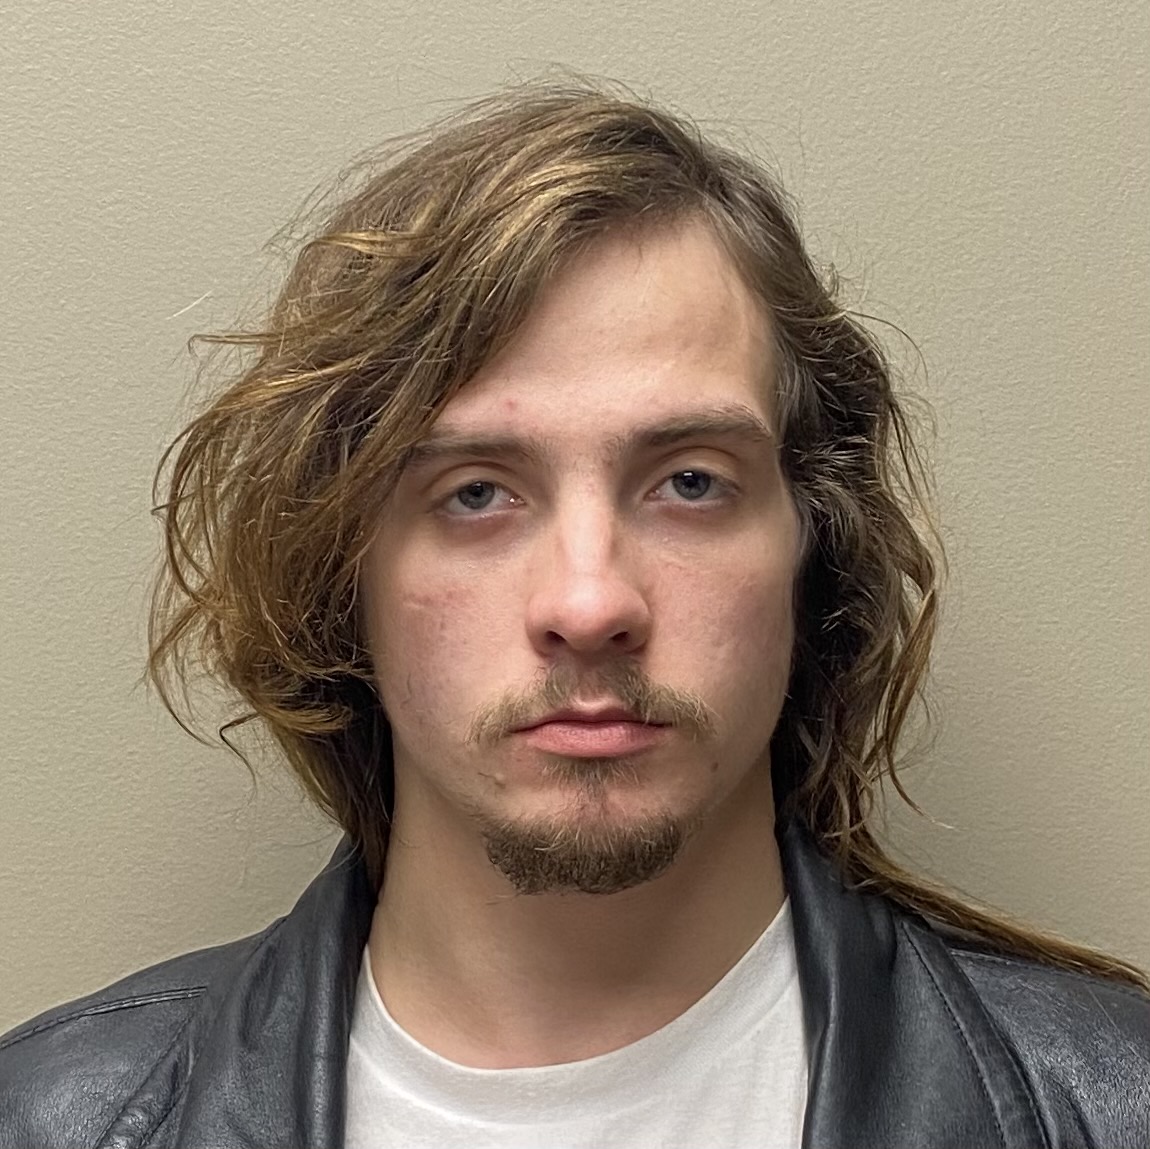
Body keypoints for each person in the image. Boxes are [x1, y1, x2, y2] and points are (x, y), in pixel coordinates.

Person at [1, 81, 1147, 1149]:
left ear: (814, 547)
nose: (590, 603)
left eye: (690, 482)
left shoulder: (1111, 1104)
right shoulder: (54, 1120)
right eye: (476, 494)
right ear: (343, 578)